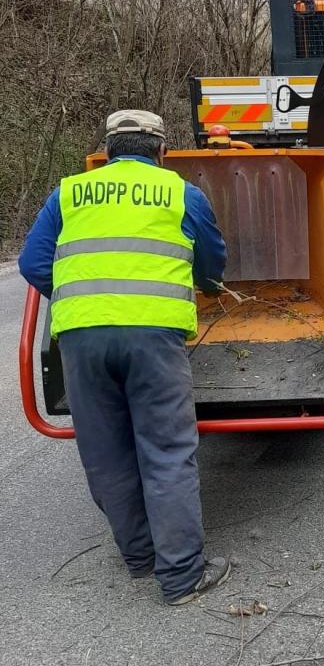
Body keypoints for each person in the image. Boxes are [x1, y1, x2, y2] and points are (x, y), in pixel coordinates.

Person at [18, 109, 231, 606]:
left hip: (81, 338)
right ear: (161, 151)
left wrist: (79, 297)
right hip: (152, 338)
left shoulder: (68, 193)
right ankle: (180, 578)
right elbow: (211, 262)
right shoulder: (180, 192)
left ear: (107, 151)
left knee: (106, 451)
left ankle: (140, 558)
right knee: (166, 450)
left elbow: (32, 263)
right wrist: (207, 285)